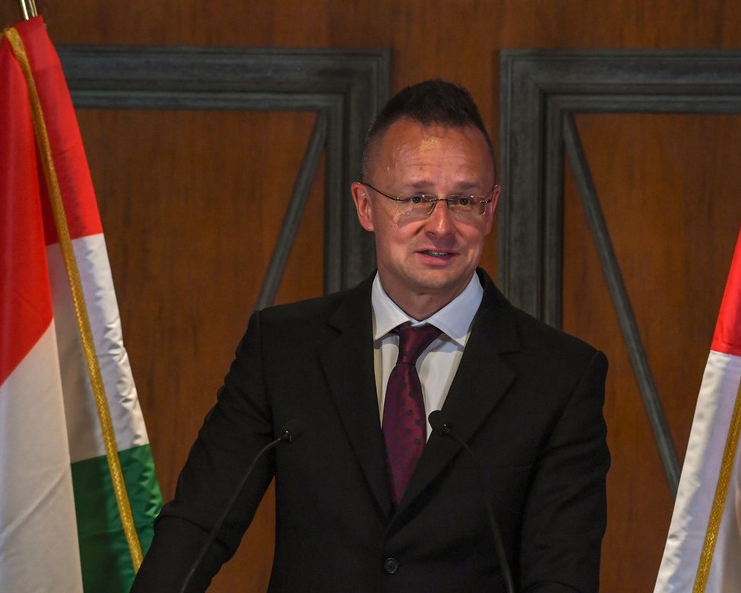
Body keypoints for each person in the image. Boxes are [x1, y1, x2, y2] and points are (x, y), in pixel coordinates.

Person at [131, 79, 610, 592]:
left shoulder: (560, 376)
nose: (441, 226)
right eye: (416, 198)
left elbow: (562, 576)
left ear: (490, 210)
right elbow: (199, 525)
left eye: (464, 200)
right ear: (364, 206)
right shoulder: (284, 349)